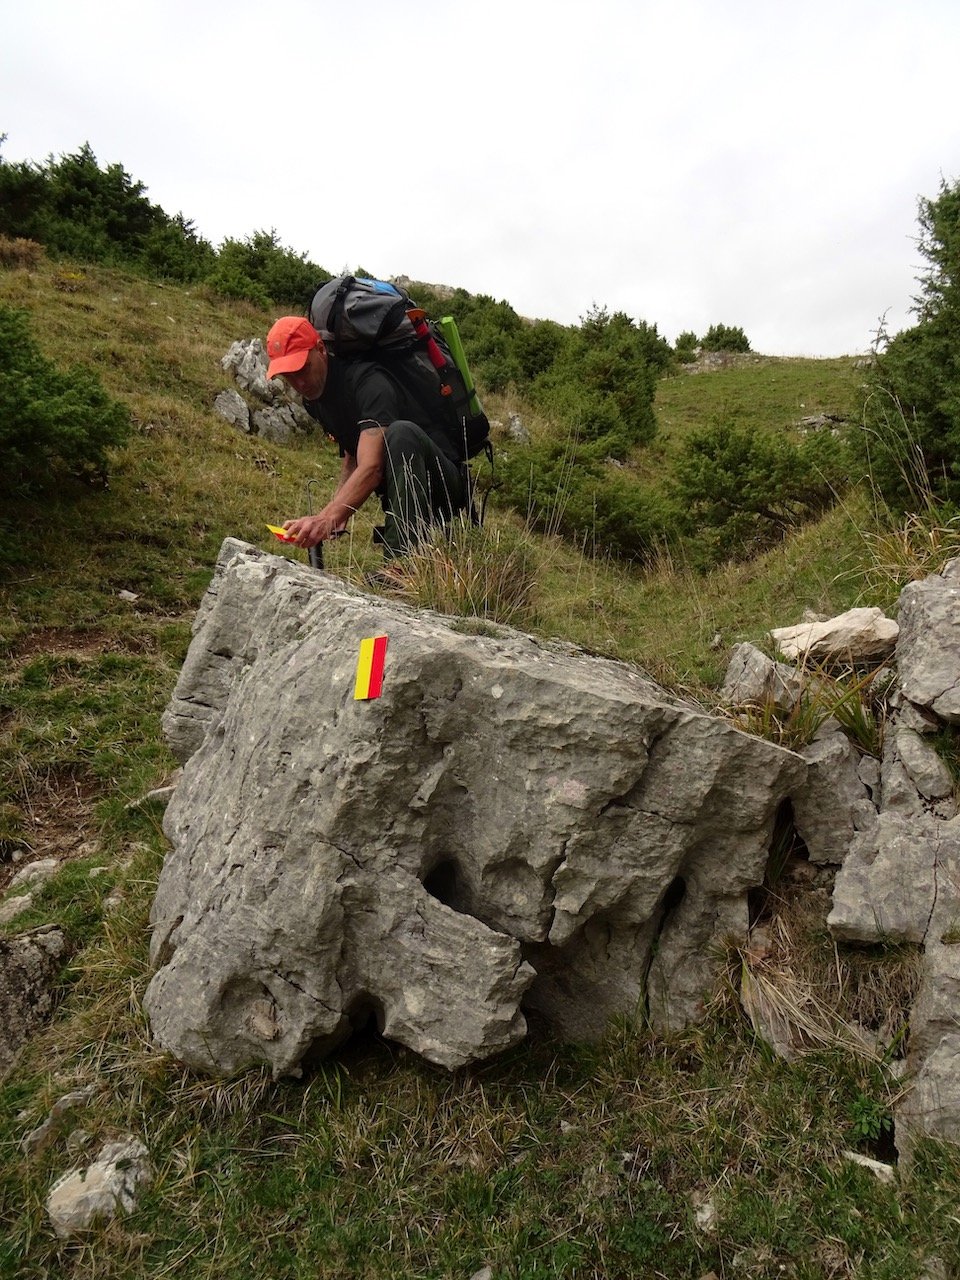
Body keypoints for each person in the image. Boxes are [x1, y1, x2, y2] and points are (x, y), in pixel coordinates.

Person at [265, 315, 467, 563]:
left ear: (320, 349)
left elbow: (371, 467)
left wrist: (329, 517)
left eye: (303, 368)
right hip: (402, 490)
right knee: (397, 436)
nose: (300, 382)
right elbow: (353, 452)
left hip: (444, 482)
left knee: (401, 432)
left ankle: (401, 565)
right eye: (289, 375)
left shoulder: (368, 381)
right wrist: (336, 509)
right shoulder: (318, 396)